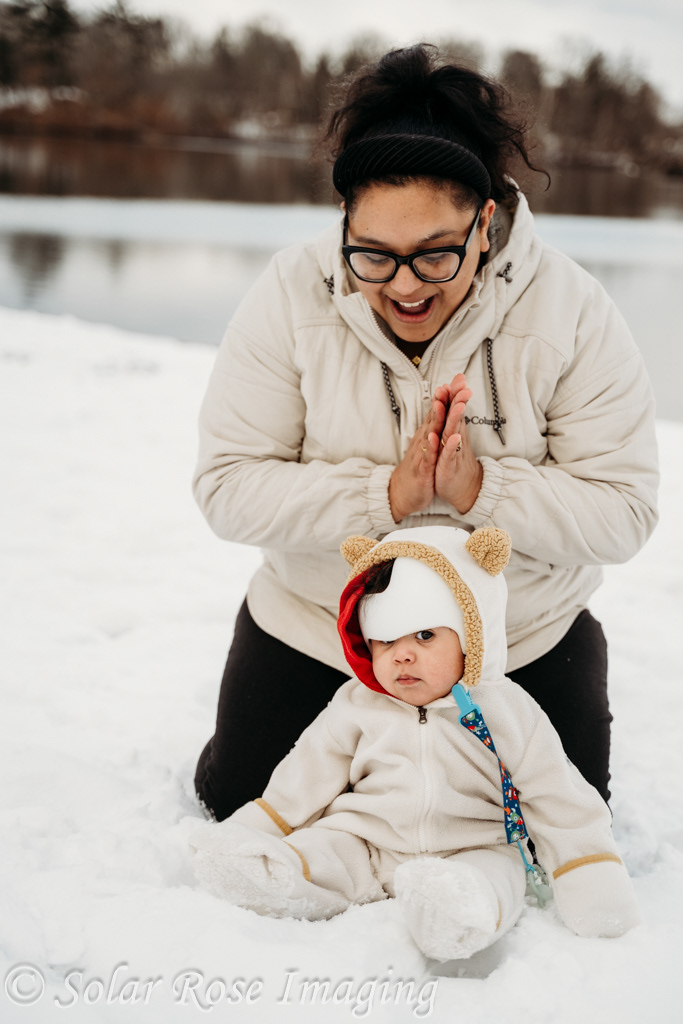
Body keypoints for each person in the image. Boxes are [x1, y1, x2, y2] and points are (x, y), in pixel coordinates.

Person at [192, 44, 658, 820]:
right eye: (372, 255)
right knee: (237, 804)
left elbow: (623, 513)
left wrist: (483, 491)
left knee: (550, 833)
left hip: (521, 638)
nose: (403, 287)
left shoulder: (572, 308)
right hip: (318, 625)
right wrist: (382, 495)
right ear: (344, 218)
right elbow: (226, 486)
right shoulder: (288, 289)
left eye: (434, 256)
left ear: (484, 222)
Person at [190, 527, 641, 961]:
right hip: (369, 840)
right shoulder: (357, 704)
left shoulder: (505, 711)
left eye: (425, 635)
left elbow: (556, 792)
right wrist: (260, 826)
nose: (402, 655)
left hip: (474, 845)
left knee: (492, 880)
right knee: (326, 852)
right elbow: (306, 772)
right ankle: (272, 875)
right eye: (385, 641)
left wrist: (589, 868)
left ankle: (456, 912)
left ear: (472, 633)